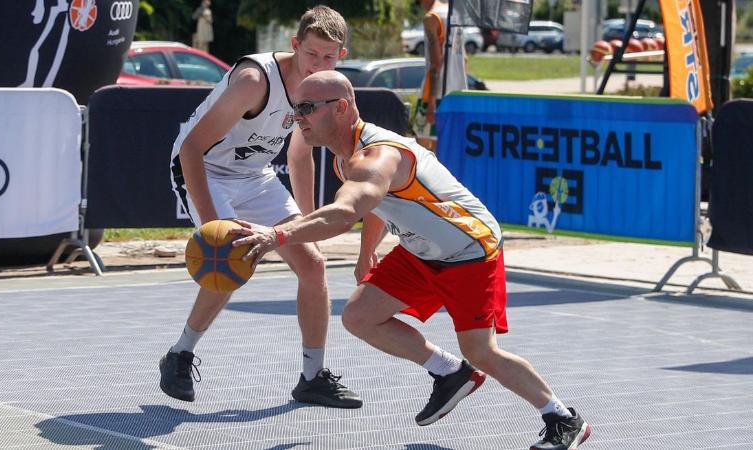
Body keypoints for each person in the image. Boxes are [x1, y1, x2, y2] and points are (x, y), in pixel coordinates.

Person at [232, 71, 592, 450]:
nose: (296, 117)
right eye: (294, 108)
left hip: (469, 250)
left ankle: (563, 418)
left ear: (340, 108)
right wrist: (366, 251)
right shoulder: (345, 158)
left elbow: (344, 213)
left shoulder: (378, 155)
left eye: (305, 108)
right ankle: (450, 373)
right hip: (422, 250)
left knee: (481, 350)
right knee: (359, 316)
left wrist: (277, 234)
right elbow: (376, 206)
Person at [163, 6, 362, 409]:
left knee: (313, 265)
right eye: (312, 55)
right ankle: (180, 354)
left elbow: (299, 156)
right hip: (205, 168)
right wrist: (215, 228)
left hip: (256, 176)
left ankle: (312, 377)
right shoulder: (255, 81)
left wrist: (307, 225)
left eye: (329, 57)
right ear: (295, 45)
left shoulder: (322, 88)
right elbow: (191, 149)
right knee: (232, 256)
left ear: (341, 55)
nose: (318, 65)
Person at [412, 0, 468, 152]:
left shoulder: (431, 18)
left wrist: (431, 103)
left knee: (421, 146)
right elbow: (464, 58)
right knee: (448, 145)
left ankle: (427, 176)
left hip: (435, 94)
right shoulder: (455, 14)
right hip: (458, 92)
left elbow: (436, 63)